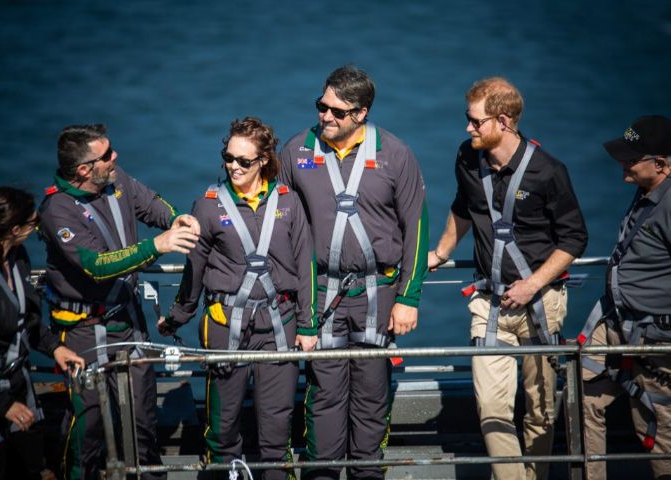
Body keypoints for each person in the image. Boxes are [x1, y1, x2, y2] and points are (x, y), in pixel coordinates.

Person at [428, 77, 587, 480]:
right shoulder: (468, 157)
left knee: (541, 408)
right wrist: (441, 252)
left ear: (504, 121)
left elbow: (574, 238)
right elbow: (463, 207)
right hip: (489, 302)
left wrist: (533, 284)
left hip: (541, 302)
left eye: (475, 122)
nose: (468, 129)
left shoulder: (548, 172)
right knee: (492, 410)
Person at [279, 65, 429, 480]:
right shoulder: (295, 152)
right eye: (321, 106)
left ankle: (367, 474)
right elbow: (279, 226)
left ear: (360, 114)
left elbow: (416, 226)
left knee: (371, 394)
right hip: (321, 293)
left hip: (379, 293)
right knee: (323, 393)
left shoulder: (395, 154)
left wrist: (408, 296)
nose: (325, 116)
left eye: (336, 112)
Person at [38, 124, 200, 480]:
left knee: (143, 416)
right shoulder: (56, 212)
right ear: (84, 169)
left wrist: (176, 219)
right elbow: (97, 266)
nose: (116, 157)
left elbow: (151, 203)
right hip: (82, 330)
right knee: (88, 424)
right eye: (107, 154)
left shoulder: (114, 177)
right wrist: (156, 246)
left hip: (126, 319)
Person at [161, 117, 316, 479]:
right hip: (224, 324)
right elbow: (194, 270)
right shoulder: (208, 206)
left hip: (279, 323)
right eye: (228, 158)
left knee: (277, 427)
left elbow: (305, 264)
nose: (233, 166)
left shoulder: (289, 203)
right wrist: (178, 315)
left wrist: (308, 325)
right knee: (223, 425)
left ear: (263, 160)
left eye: (243, 161)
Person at [0, 186, 85, 480]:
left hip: (18, 386)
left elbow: (24, 320)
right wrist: (2, 405)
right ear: (15, 229)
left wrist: (54, 347)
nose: (37, 226)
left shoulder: (18, 258)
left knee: (32, 467)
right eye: (33, 222)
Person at [579, 115, 671, 480]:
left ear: (660, 164)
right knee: (583, 391)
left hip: (658, 341)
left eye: (631, 160)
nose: (623, 166)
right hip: (622, 326)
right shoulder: (648, 191)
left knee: (657, 424)